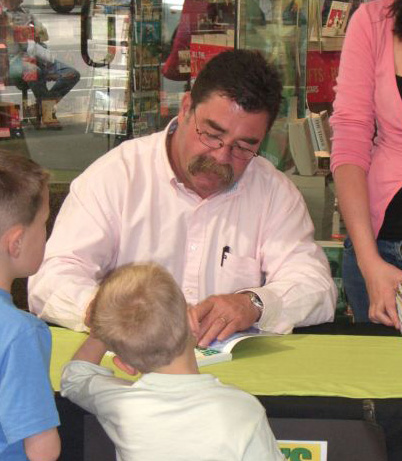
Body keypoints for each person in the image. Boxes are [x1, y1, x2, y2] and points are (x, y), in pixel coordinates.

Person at [29, 49, 337, 343]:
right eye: (212, 134)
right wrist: (117, 312)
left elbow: (316, 288)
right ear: (187, 107)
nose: (221, 156)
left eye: (243, 147)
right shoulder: (117, 176)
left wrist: (255, 303)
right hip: (130, 375)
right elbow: (50, 280)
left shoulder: (273, 192)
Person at [60, 262, 286, 461]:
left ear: (123, 364)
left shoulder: (120, 403)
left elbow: (75, 377)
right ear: (192, 321)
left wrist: (98, 333)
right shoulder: (242, 409)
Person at [330, 0, 402, 328]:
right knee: (380, 382)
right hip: (384, 254)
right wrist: (367, 260)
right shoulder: (373, 22)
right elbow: (350, 137)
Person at [0, 151, 60, 461]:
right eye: (44, 223)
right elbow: (42, 450)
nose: (46, 234)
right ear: (17, 242)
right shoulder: (22, 333)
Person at [1, 0, 80, 128]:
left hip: (38, 55)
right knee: (33, 71)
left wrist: (32, 33)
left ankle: (39, 106)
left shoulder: (26, 12)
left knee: (71, 74)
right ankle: (47, 113)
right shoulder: (3, 17)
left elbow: (44, 34)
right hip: (17, 60)